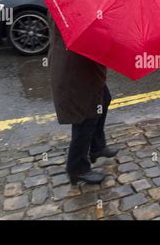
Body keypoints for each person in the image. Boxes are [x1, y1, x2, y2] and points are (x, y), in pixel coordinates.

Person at [47, 12, 119, 185]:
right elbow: (90, 35)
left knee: (103, 99)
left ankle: (97, 147)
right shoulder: (74, 6)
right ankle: (77, 168)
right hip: (75, 67)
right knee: (85, 117)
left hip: (82, 64)